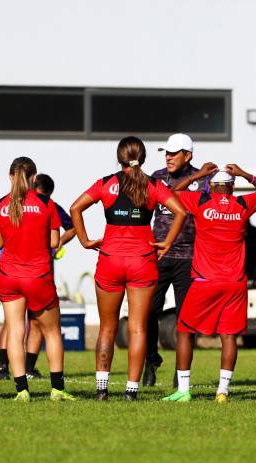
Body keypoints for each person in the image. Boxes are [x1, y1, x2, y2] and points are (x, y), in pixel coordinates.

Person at [70, 136, 186, 401]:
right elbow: (180, 212)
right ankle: (131, 391)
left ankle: (101, 389)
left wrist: (86, 241)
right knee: (138, 328)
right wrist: (167, 243)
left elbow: (75, 208)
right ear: (143, 157)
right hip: (142, 261)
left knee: (107, 328)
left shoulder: (106, 183)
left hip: (110, 260)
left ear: (119, 157)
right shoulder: (153, 184)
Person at [162, 164, 256, 403]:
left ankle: (183, 390)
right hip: (235, 283)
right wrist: (245, 174)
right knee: (229, 336)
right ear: (231, 188)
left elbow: (173, 192)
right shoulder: (242, 205)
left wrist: (199, 174)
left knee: (184, 331)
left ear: (211, 187)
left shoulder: (202, 202)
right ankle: (222, 391)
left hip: (204, 281)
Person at [0, 158, 76, 401]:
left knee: (16, 332)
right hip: (38, 275)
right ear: (34, 177)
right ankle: (57, 389)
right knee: (52, 332)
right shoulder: (46, 203)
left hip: (9, 276)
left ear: (10, 176)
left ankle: (22, 391)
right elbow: (54, 242)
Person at [144, 133, 212, 387]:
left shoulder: (204, 181)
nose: (168, 157)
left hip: (189, 258)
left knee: (187, 318)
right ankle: (151, 359)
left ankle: (181, 373)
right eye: (166, 152)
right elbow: (162, 197)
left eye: (174, 153)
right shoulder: (157, 177)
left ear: (188, 155)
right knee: (149, 312)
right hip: (159, 255)